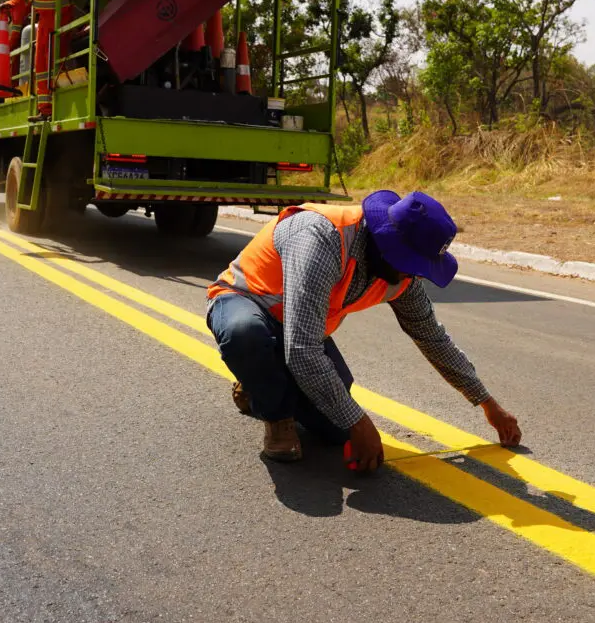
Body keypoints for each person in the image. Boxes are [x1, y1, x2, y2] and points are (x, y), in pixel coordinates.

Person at [206, 190, 522, 472]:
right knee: (244, 334)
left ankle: (260, 381)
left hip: (300, 328)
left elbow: (431, 336)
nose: (416, 275)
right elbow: (302, 349)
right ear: (388, 244)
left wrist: (487, 403)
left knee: (334, 428)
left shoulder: (401, 276)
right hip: (247, 302)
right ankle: (275, 416)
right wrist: (359, 421)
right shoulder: (321, 237)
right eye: (414, 264)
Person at [0, 0, 85, 114]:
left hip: (63, 18)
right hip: (45, 22)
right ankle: (45, 108)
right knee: (41, 64)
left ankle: (62, 100)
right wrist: (9, 4)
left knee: (56, 59)